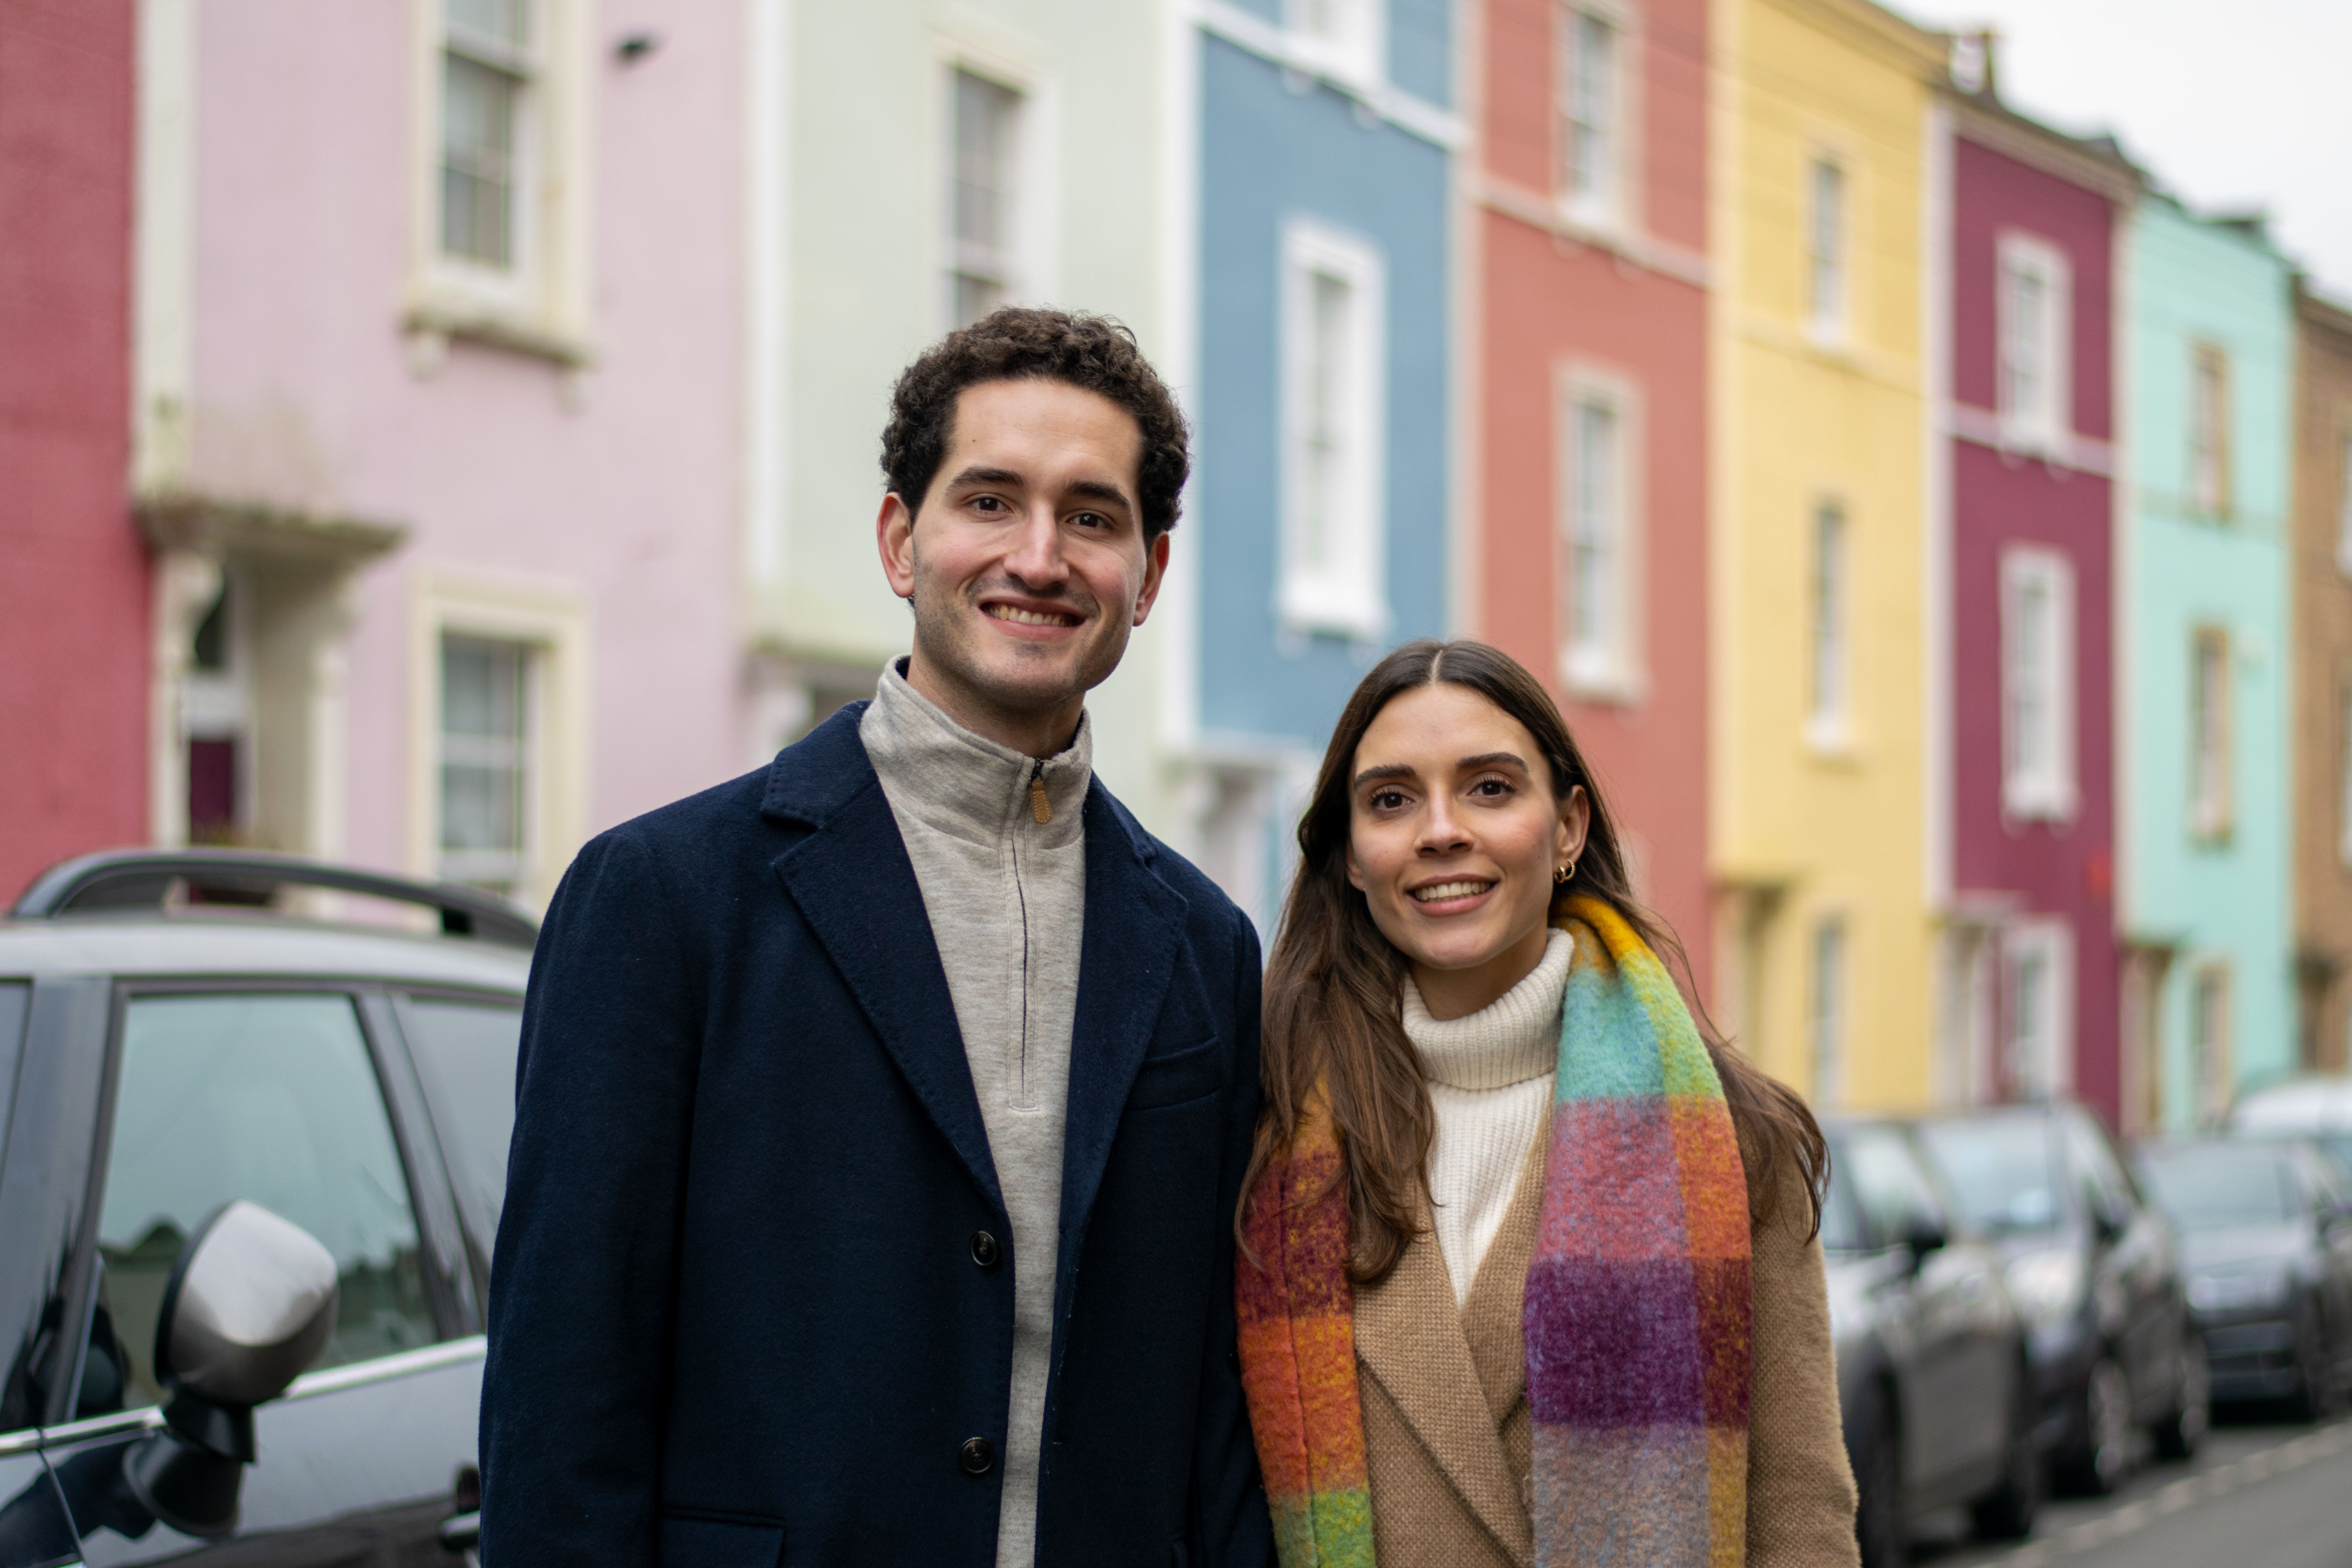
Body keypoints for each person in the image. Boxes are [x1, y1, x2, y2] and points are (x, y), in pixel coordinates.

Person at [480, 307, 1275, 1567]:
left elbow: (1223, 1404)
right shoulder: (664, 898)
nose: (1039, 555)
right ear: (904, 541)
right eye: (991, 501)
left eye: (1090, 516)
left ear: (1151, 573)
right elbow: (564, 1388)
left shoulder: (1205, 944)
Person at [1235, 640, 1857, 1568]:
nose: (1440, 830)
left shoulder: (1733, 1141)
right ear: (1351, 856)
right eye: (1393, 799)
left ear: (1567, 827)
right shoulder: (1270, 1137)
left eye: (1490, 787)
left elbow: (1801, 1517)